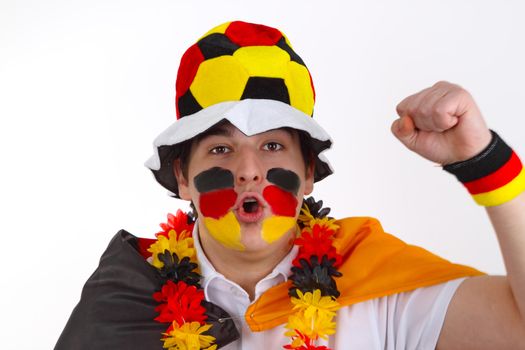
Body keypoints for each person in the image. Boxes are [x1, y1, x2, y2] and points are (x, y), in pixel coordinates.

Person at [56, 21, 525, 349]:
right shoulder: (127, 298)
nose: (248, 171)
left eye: (272, 146)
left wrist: (483, 161)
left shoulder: (378, 287)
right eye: (221, 149)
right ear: (182, 177)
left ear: (306, 175)